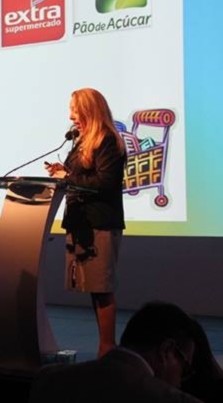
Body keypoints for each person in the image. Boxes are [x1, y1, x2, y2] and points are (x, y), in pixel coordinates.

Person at [45, 88, 126, 358]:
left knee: (102, 289)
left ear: (90, 110)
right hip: (81, 222)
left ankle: (108, 347)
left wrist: (68, 178)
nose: (71, 117)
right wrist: (63, 172)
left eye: (75, 111)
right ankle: (106, 346)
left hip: (99, 223)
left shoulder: (107, 140)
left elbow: (106, 182)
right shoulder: (82, 141)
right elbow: (82, 176)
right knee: (94, 289)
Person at [29, 301, 204, 403]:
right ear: (166, 350)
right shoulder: (172, 399)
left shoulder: (49, 379)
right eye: (185, 369)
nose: (181, 382)